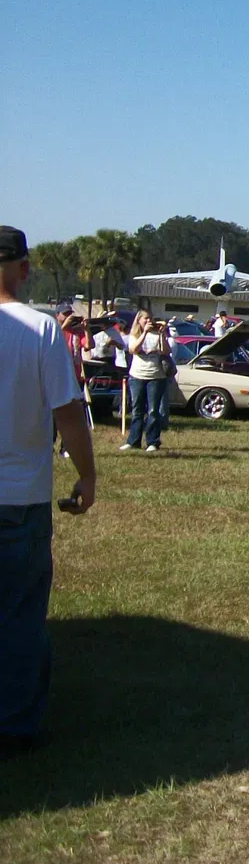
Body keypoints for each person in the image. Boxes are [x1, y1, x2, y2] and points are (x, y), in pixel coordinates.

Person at [1, 226, 96, 755]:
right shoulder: (39, 329)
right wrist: (87, 474)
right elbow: (68, 411)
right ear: (25, 267)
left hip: (21, 495)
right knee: (18, 617)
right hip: (18, 497)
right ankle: (14, 727)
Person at [120, 312, 171, 452]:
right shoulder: (134, 335)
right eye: (145, 318)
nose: (149, 320)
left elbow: (166, 351)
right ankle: (133, 441)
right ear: (139, 320)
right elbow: (133, 350)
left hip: (156, 376)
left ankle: (153, 442)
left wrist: (162, 334)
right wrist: (145, 334)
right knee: (137, 410)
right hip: (137, 375)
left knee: (153, 410)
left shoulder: (157, 334)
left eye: (150, 318)